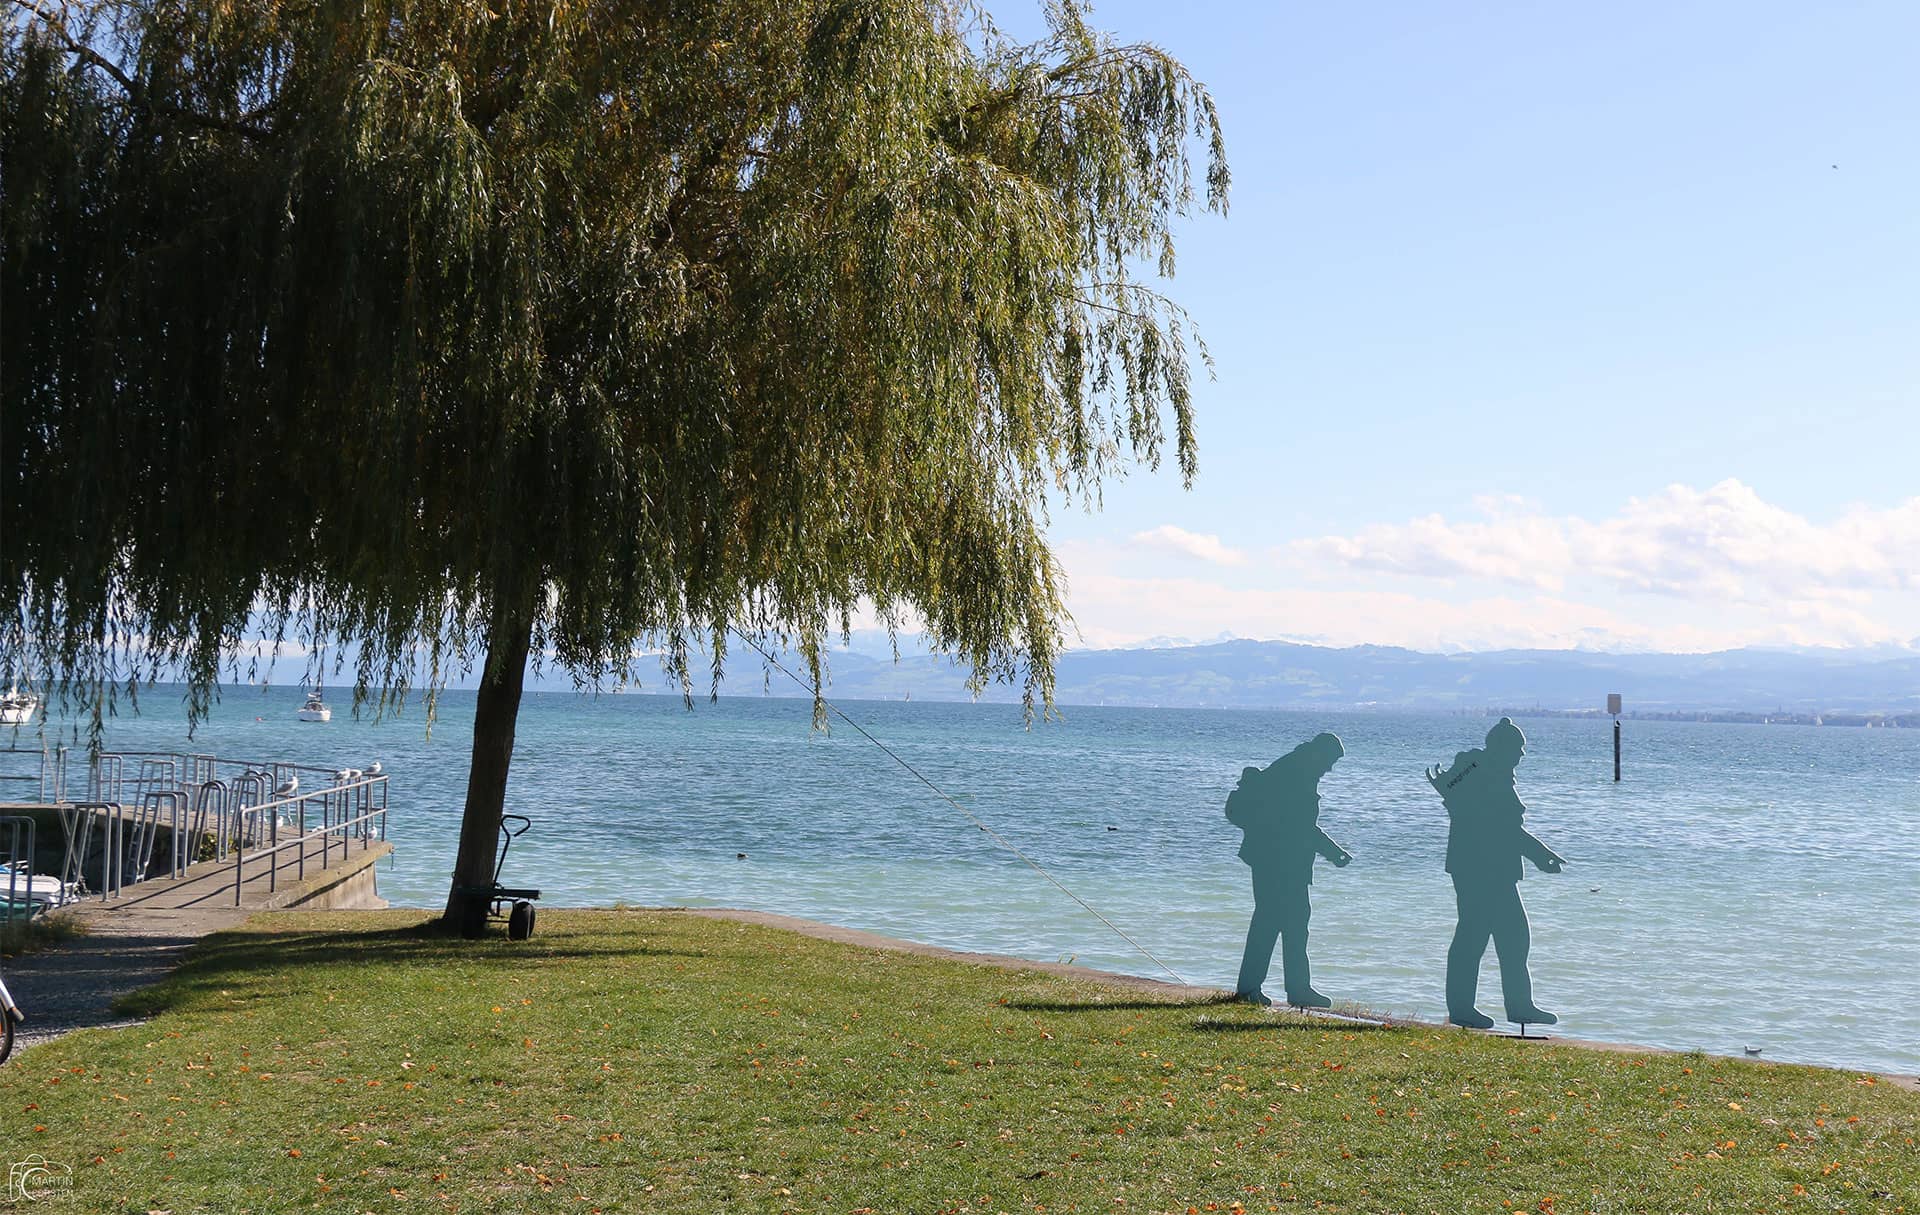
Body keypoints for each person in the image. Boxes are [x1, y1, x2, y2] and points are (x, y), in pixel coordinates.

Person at [1424, 717, 1566, 1029]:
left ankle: (1519, 1006)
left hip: (1493, 869)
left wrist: (1540, 854)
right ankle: (1464, 1009)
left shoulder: (1489, 773)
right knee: (1474, 937)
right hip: (1480, 869)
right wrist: (1541, 855)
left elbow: (1505, 828)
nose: (1521, 756)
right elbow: (1502, 829)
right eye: (1517, 749)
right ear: (1502, 749)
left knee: (1513, 937)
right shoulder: (1484, 775)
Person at [1227, 732, 1353, 1007]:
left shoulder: (1294, 768)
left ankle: (1284, 989)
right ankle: (1268, 989)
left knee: (1288, 925)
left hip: (1278, 861)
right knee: (1276, 924)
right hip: (1279, 863)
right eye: (1330, 761)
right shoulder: (1294, 775)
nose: (1330, 768)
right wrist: (1333, 852)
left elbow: (1301, 825)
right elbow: (1301, 827)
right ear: (1319, 754)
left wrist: (1332, 851)